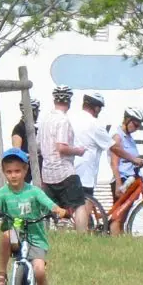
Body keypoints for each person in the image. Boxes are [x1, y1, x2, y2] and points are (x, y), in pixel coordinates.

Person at [0, 147, 68, 285]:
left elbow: (49, 204)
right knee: (6, 234)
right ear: (3, 172)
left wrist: (58, 211)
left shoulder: (34, 192)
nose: (13, 175)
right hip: (15, 235)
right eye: (9, 172)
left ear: (25, 170)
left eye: (17, 171)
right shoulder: (3, 193)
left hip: (35, 238)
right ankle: (1, 274)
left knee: (39, 271)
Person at [37, 86, 88, 216]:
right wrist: (78, 151)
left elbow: (38, 145)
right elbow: (61, 147)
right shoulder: (63, 120)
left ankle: (58, 234)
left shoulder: (45, 120)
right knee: (78, 205)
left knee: (56, 210)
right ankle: (81, 235)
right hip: (64, 171)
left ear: (54, 100)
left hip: (47, 173)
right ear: (69, 101)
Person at [69, 91, 113, 230]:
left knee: (76, 205)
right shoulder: (94, 124)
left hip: (70, 168)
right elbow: (113, 146)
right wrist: (132, 158)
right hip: (86, 172)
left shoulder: (71, 119)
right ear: (96, 107)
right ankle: (82, 235)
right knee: (85, 205)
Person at [108, 107, 143, 235]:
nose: (137, 127)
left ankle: (120, 241)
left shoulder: (129, 137)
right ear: (127, 120)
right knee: (118, 216)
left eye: (139, 125)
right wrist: (118, 183)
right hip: (122, 179)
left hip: (131, 179)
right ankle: (115, 243)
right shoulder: (118, 136)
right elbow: (114, 163)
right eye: (135, 123)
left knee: (123, 216)